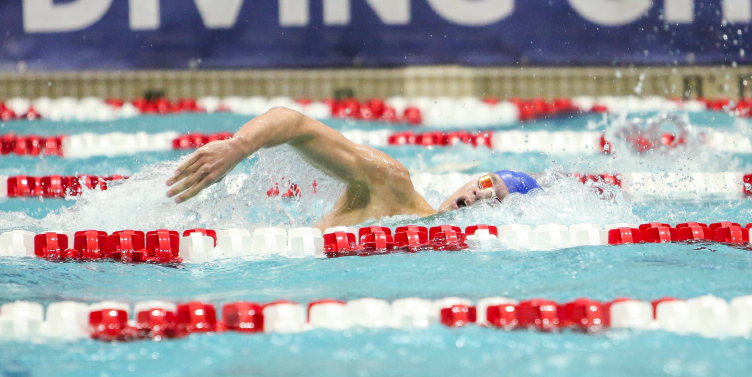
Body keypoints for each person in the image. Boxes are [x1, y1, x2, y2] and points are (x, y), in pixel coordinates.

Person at [167, 106, 541, 227]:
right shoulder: (394, 187)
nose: (480, 193)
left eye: (494, 198)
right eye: (486, 182)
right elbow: (294, 123)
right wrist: (239, 146)